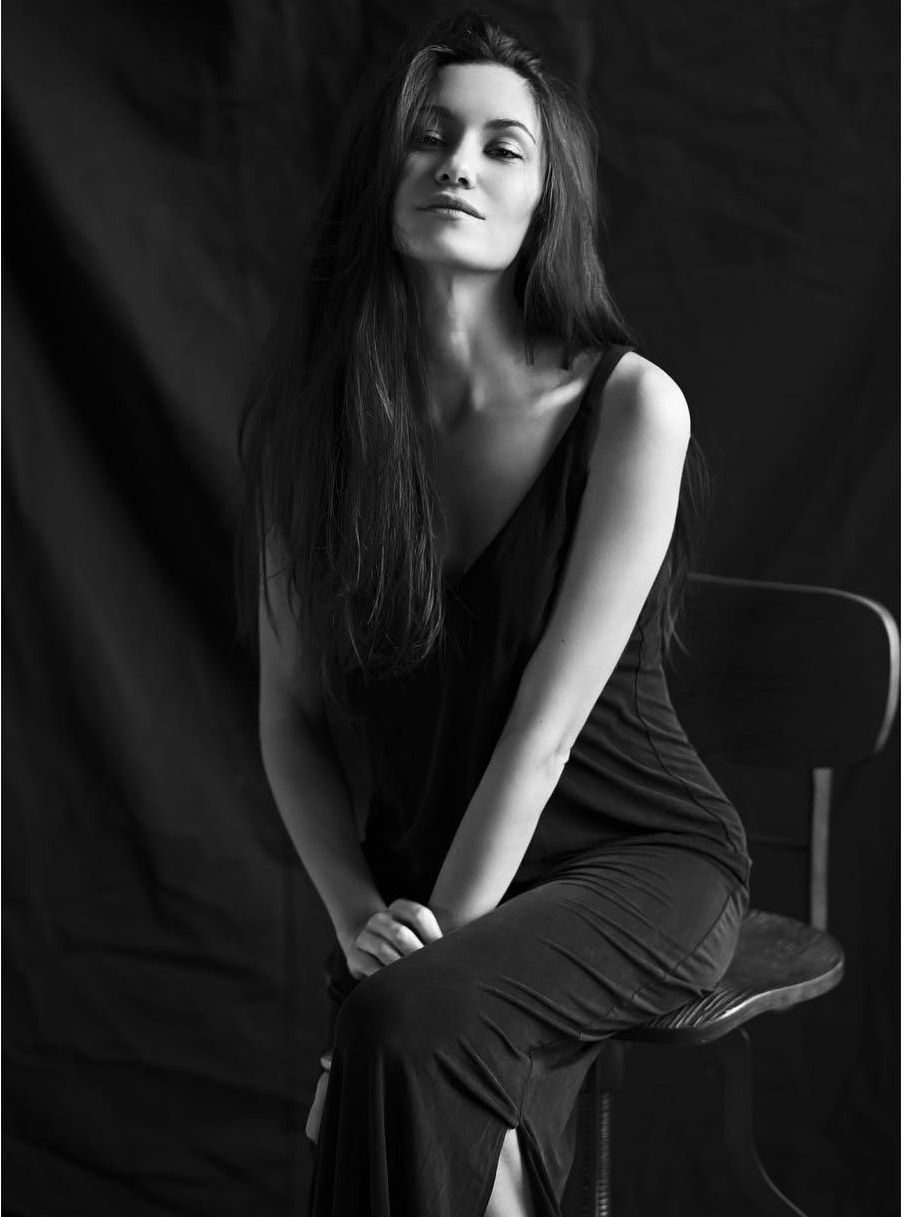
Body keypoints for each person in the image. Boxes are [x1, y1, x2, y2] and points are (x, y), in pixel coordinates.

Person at [235, 10, 751, 1216]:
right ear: (381, 174)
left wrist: (408, 972)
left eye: (499, 146)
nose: (456, 164)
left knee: (402, 1035)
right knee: (411, 1039)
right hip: (429, 879)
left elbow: (544, 731)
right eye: (426, 136)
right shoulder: (312, 434)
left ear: (542, 201)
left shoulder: (629, 409)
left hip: (640, 862)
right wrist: (358, 922)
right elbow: (289, 718)